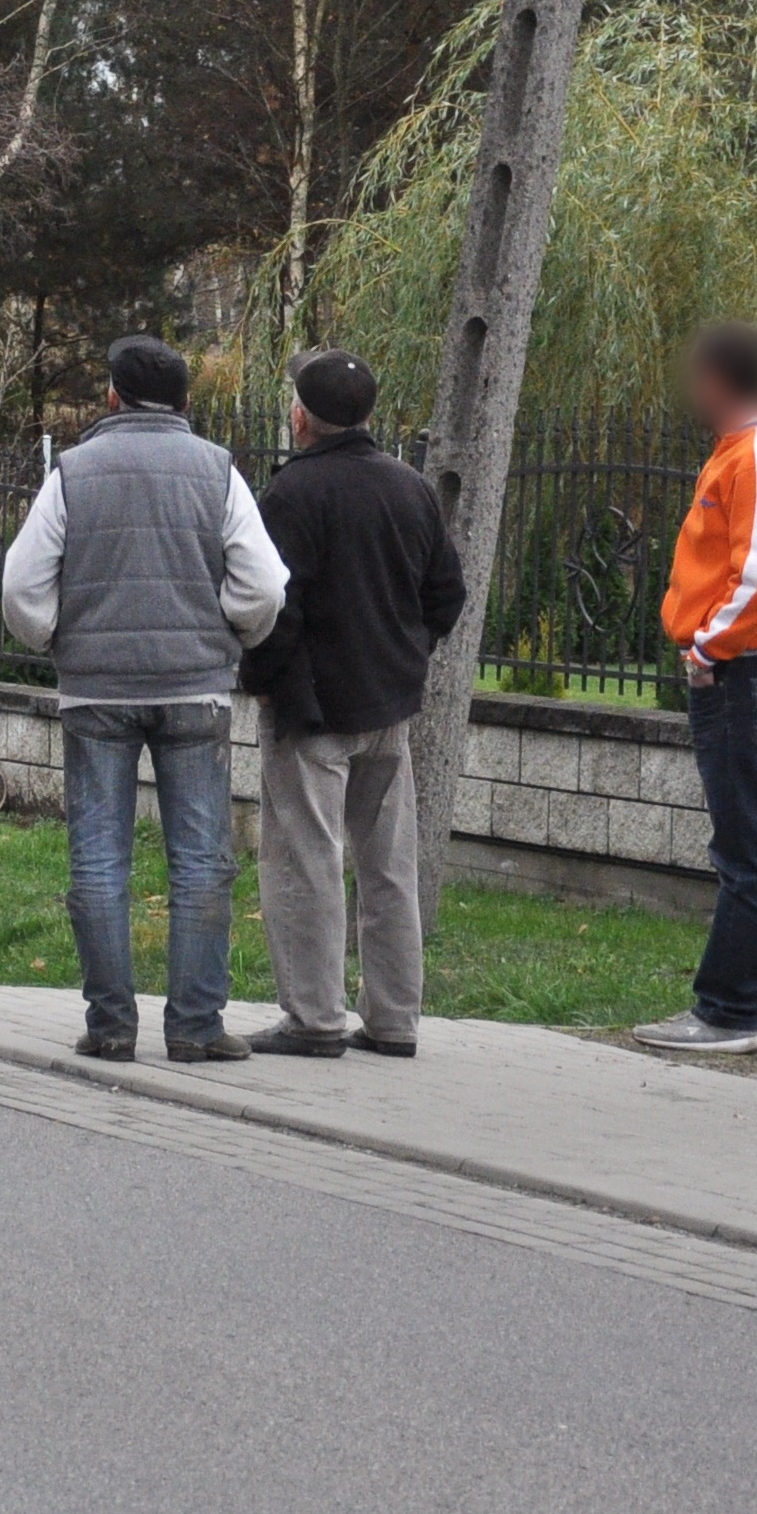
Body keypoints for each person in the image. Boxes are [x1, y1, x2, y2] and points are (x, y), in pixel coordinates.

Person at [2, 335, 289, 1063]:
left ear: (111, 398)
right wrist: (229, 635)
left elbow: (21, 588)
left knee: (98, 860)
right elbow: (263, 587)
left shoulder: (73, 472)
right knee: (201, 860)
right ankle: (195, 1028)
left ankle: (111, 1027)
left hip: (95, 691)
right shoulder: (218, 471)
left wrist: (55, 639)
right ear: (187, 402)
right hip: (195, 689)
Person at [236, 349, 465, 1061]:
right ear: (367, 415)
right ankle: (395, 1020)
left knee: (306, 861)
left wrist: (268, 679)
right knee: (389, 866)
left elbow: (273, 605)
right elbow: (445, 596)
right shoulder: (410, 487)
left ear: (301, 416)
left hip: (312, 712)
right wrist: (405, 657)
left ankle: (314, 1019)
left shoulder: (292, 495)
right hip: (388, 708)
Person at [632, 323, 757, 1053]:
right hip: (747, 663)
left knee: (746, 840)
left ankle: (727, 1010)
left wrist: (709, 644)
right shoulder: (748, 451)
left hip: (739, 668)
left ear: (720, 379)